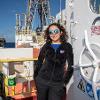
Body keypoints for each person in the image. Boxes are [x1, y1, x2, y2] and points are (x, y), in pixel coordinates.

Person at [34, 23, 74, 100]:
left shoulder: (67, 46)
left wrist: (64, 82)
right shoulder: (46, 46)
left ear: (61, 32)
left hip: (57, 84)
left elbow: (71, 65)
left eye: (56, 31)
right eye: (51, 32)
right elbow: (39, 62)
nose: (53, 34)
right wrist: (36, 78)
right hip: (42, 81)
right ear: (48, 34)